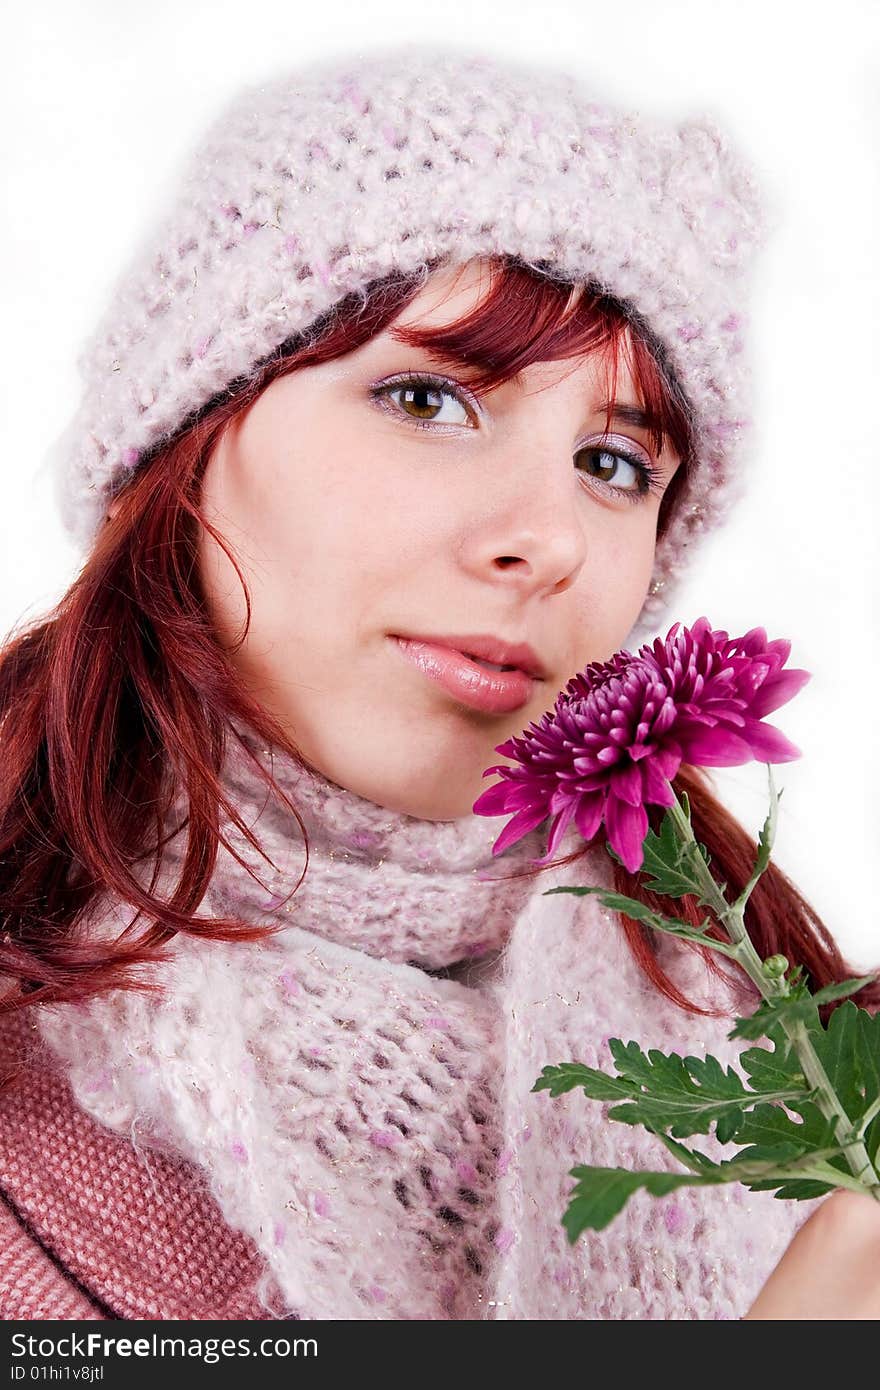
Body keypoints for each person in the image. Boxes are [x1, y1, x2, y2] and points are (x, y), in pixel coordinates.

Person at [0, 44, 877, 1322]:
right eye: (427, 397)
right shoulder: (38, 1116)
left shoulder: (786, 1039)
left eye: (616, 464)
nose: (550, 538)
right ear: (188, 445)